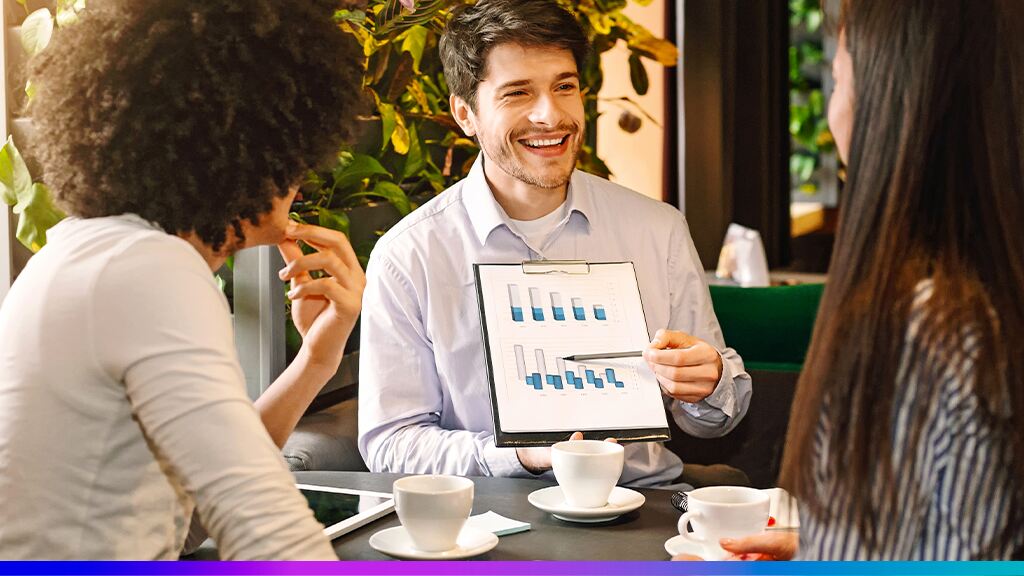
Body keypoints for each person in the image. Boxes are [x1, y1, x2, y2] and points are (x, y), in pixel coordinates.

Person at [0, 0, 366, 560]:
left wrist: (316, 359)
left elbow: (185, 512)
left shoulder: (97, 250)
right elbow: (269, 535)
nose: (304, 172)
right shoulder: (148, 271)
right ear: (241, 145)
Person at [358, 0, 751, 487]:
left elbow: (713, 423)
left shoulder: (657, 229)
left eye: (564, 87)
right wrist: (519, 456)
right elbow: (391, 444)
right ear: (465, 114)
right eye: (518, 93)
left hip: (641, 510)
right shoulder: (410, 255)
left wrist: (709, 383)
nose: (550, 115)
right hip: (485, 520)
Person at [683, 0, 1024, 560]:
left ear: (893, 102)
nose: (834, 109)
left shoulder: (927, 329)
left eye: (840, 79)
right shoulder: (985, 299)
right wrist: (826, 547)